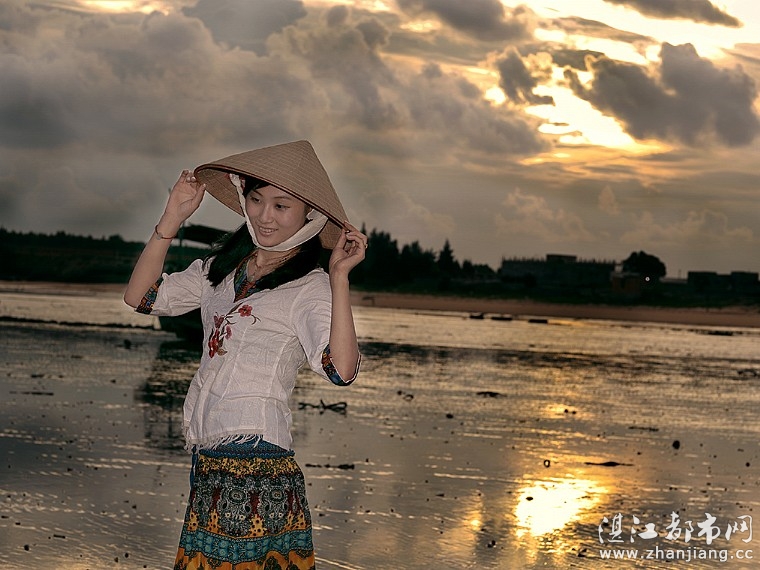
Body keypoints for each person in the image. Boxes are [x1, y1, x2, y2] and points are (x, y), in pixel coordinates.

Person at [124, 140, 367, 570]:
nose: (264, 216)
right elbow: (141, 297)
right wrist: (172, 218)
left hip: (257, 456)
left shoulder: (309, 287)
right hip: (209, 455)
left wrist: (339, 278)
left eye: (281, 206)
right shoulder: (222, 269)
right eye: (256, 200)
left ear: (309, 215)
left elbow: (341, 370)